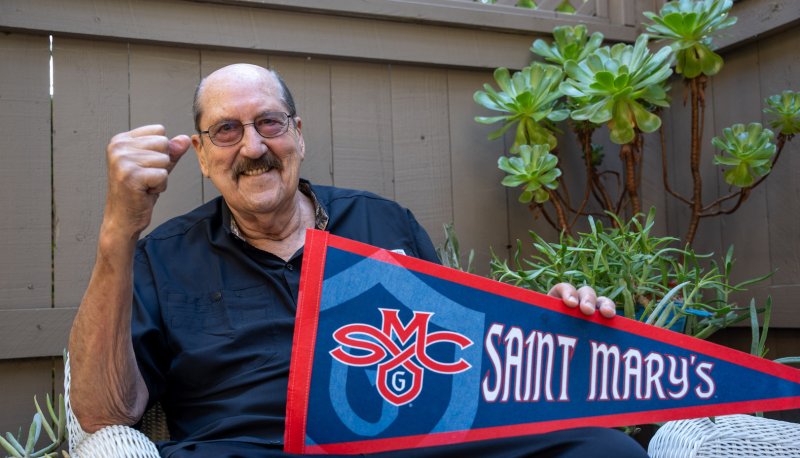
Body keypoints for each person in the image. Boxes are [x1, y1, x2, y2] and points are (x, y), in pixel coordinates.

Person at [68, 63, 645, 457]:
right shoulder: (161, 257)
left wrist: (556, 325)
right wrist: (119, 231)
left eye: (269, 122)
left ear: (298, 133)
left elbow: (464, 360)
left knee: (605, 449)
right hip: (255, 447)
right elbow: (102, 415)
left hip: (409, 442)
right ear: (199, 154)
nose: (253, 146)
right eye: (226, 131)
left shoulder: (383, 221)